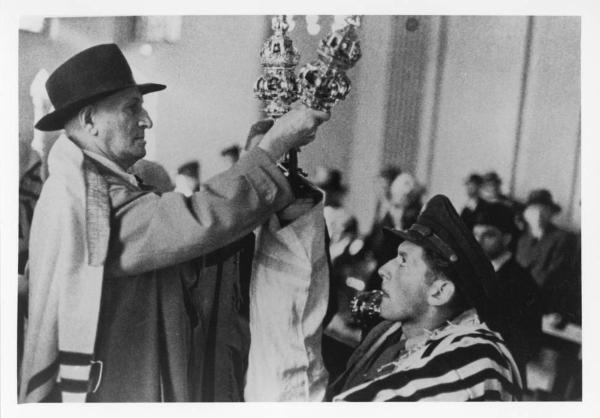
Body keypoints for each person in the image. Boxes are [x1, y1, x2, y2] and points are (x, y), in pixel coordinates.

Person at [19, 43, 329, 403]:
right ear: (89, 121)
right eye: (131, 108)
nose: (146, 120)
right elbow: (194, 222)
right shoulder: (90, 205)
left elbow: (183, 240)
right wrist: (270, 151)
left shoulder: (86, 190)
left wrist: (254, 161)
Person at [327, 195, 522, 401]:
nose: (384, 269)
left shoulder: (478, 355)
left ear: (439, 292)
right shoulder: (389, 332)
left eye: (403, 261)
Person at [472, 202, 542, 381]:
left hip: (502, 377)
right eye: (475, 235)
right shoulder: (472, 274)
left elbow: (530, 345)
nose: (478, 242)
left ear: (507, 239)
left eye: (488, 235)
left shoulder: (522, 283)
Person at [516, 189, 580, 322]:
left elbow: (554, 275)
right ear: (526, 214)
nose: (538, 215)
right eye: (534, 210)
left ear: (551, 214)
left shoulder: (562, 238)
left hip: (547, 306)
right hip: (521, 303)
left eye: (543, 210)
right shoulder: (522, 240)